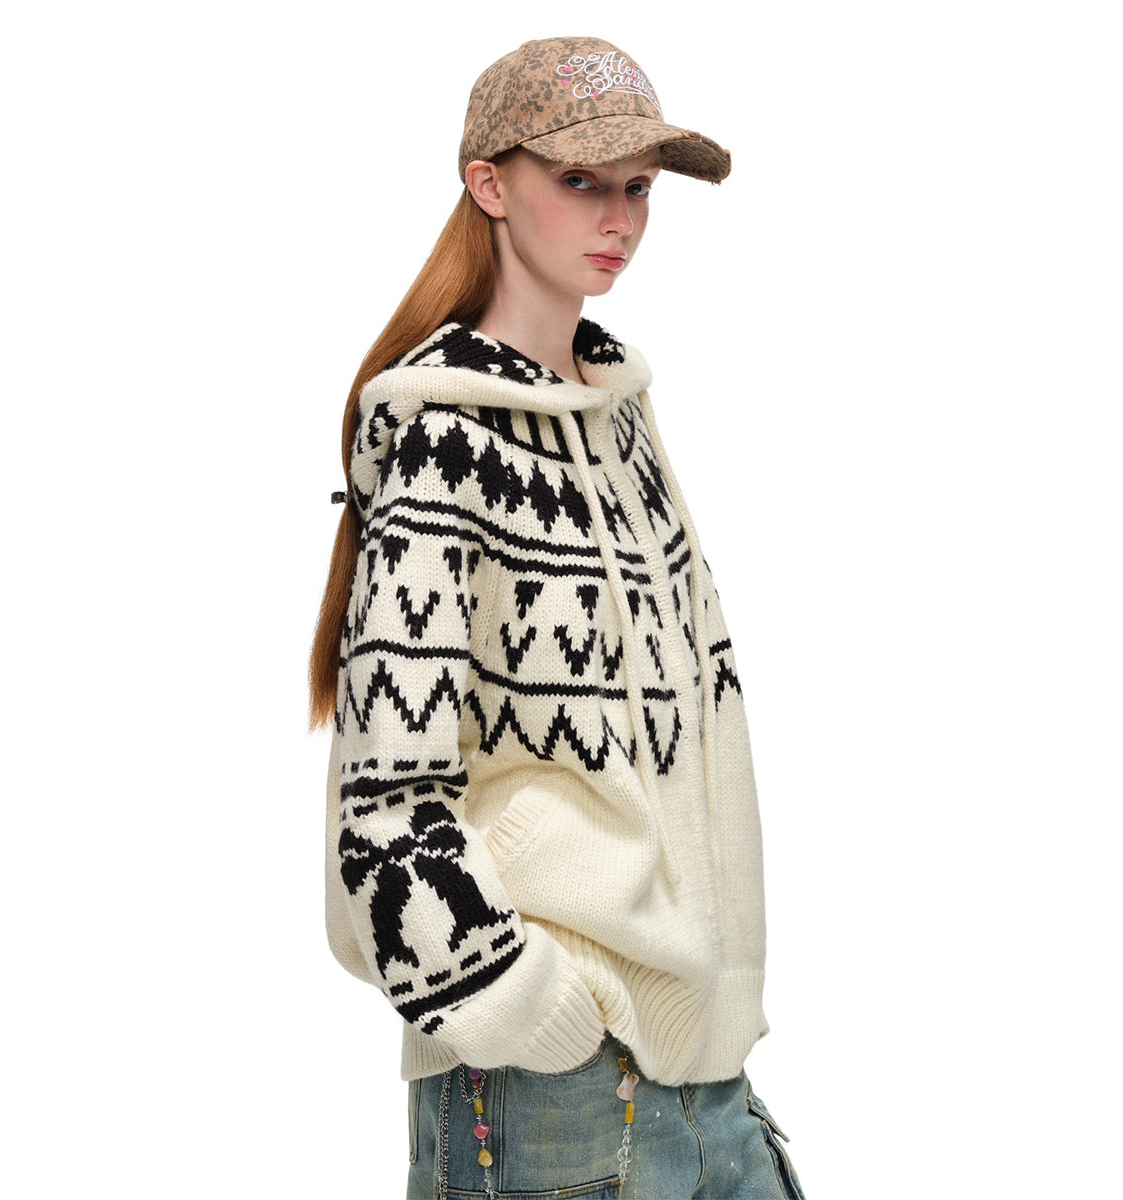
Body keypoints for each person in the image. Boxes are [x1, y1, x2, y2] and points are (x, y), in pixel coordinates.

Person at [310, 36, 805, 1200]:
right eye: (581, 180)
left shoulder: (620, 415)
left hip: (704, 1075)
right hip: (547, 1092)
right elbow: (385, 800)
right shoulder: (442, 442)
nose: (619, 219)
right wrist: (520, 1003)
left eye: (639, 187)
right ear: (489, 183)